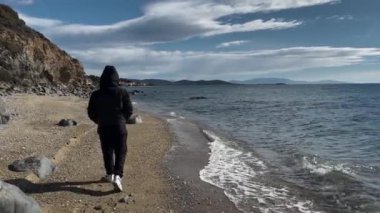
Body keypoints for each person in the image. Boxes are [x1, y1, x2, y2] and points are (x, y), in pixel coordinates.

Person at [87, 65, 133, 192]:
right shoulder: (122, 91)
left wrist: (99, 120)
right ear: (116, 78)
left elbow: (91, 112)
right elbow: (129, 110)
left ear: (102, 78)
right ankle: (118, 176)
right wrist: (122, 120)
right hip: (119, 127)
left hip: (104, 127)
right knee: (121, 152)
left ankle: (110, 174)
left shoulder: (96, 94)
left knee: (107, 151)